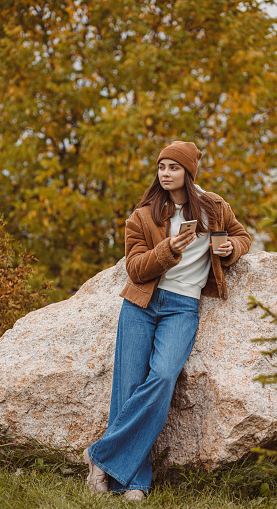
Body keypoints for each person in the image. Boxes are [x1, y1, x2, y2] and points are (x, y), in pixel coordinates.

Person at [83, 141, 251, 502]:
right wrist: (169, 249)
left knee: (161, 378)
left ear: (188, 172)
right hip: (140, 305)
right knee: (127, 388)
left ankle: (99, 457)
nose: (165, 173)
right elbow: (135, 268)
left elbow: (242, 236)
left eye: (173, 167)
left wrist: (229, 249)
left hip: (182, 308)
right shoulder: (142, 215)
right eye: (161, 166)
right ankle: (135, 481)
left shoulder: (214, 207)